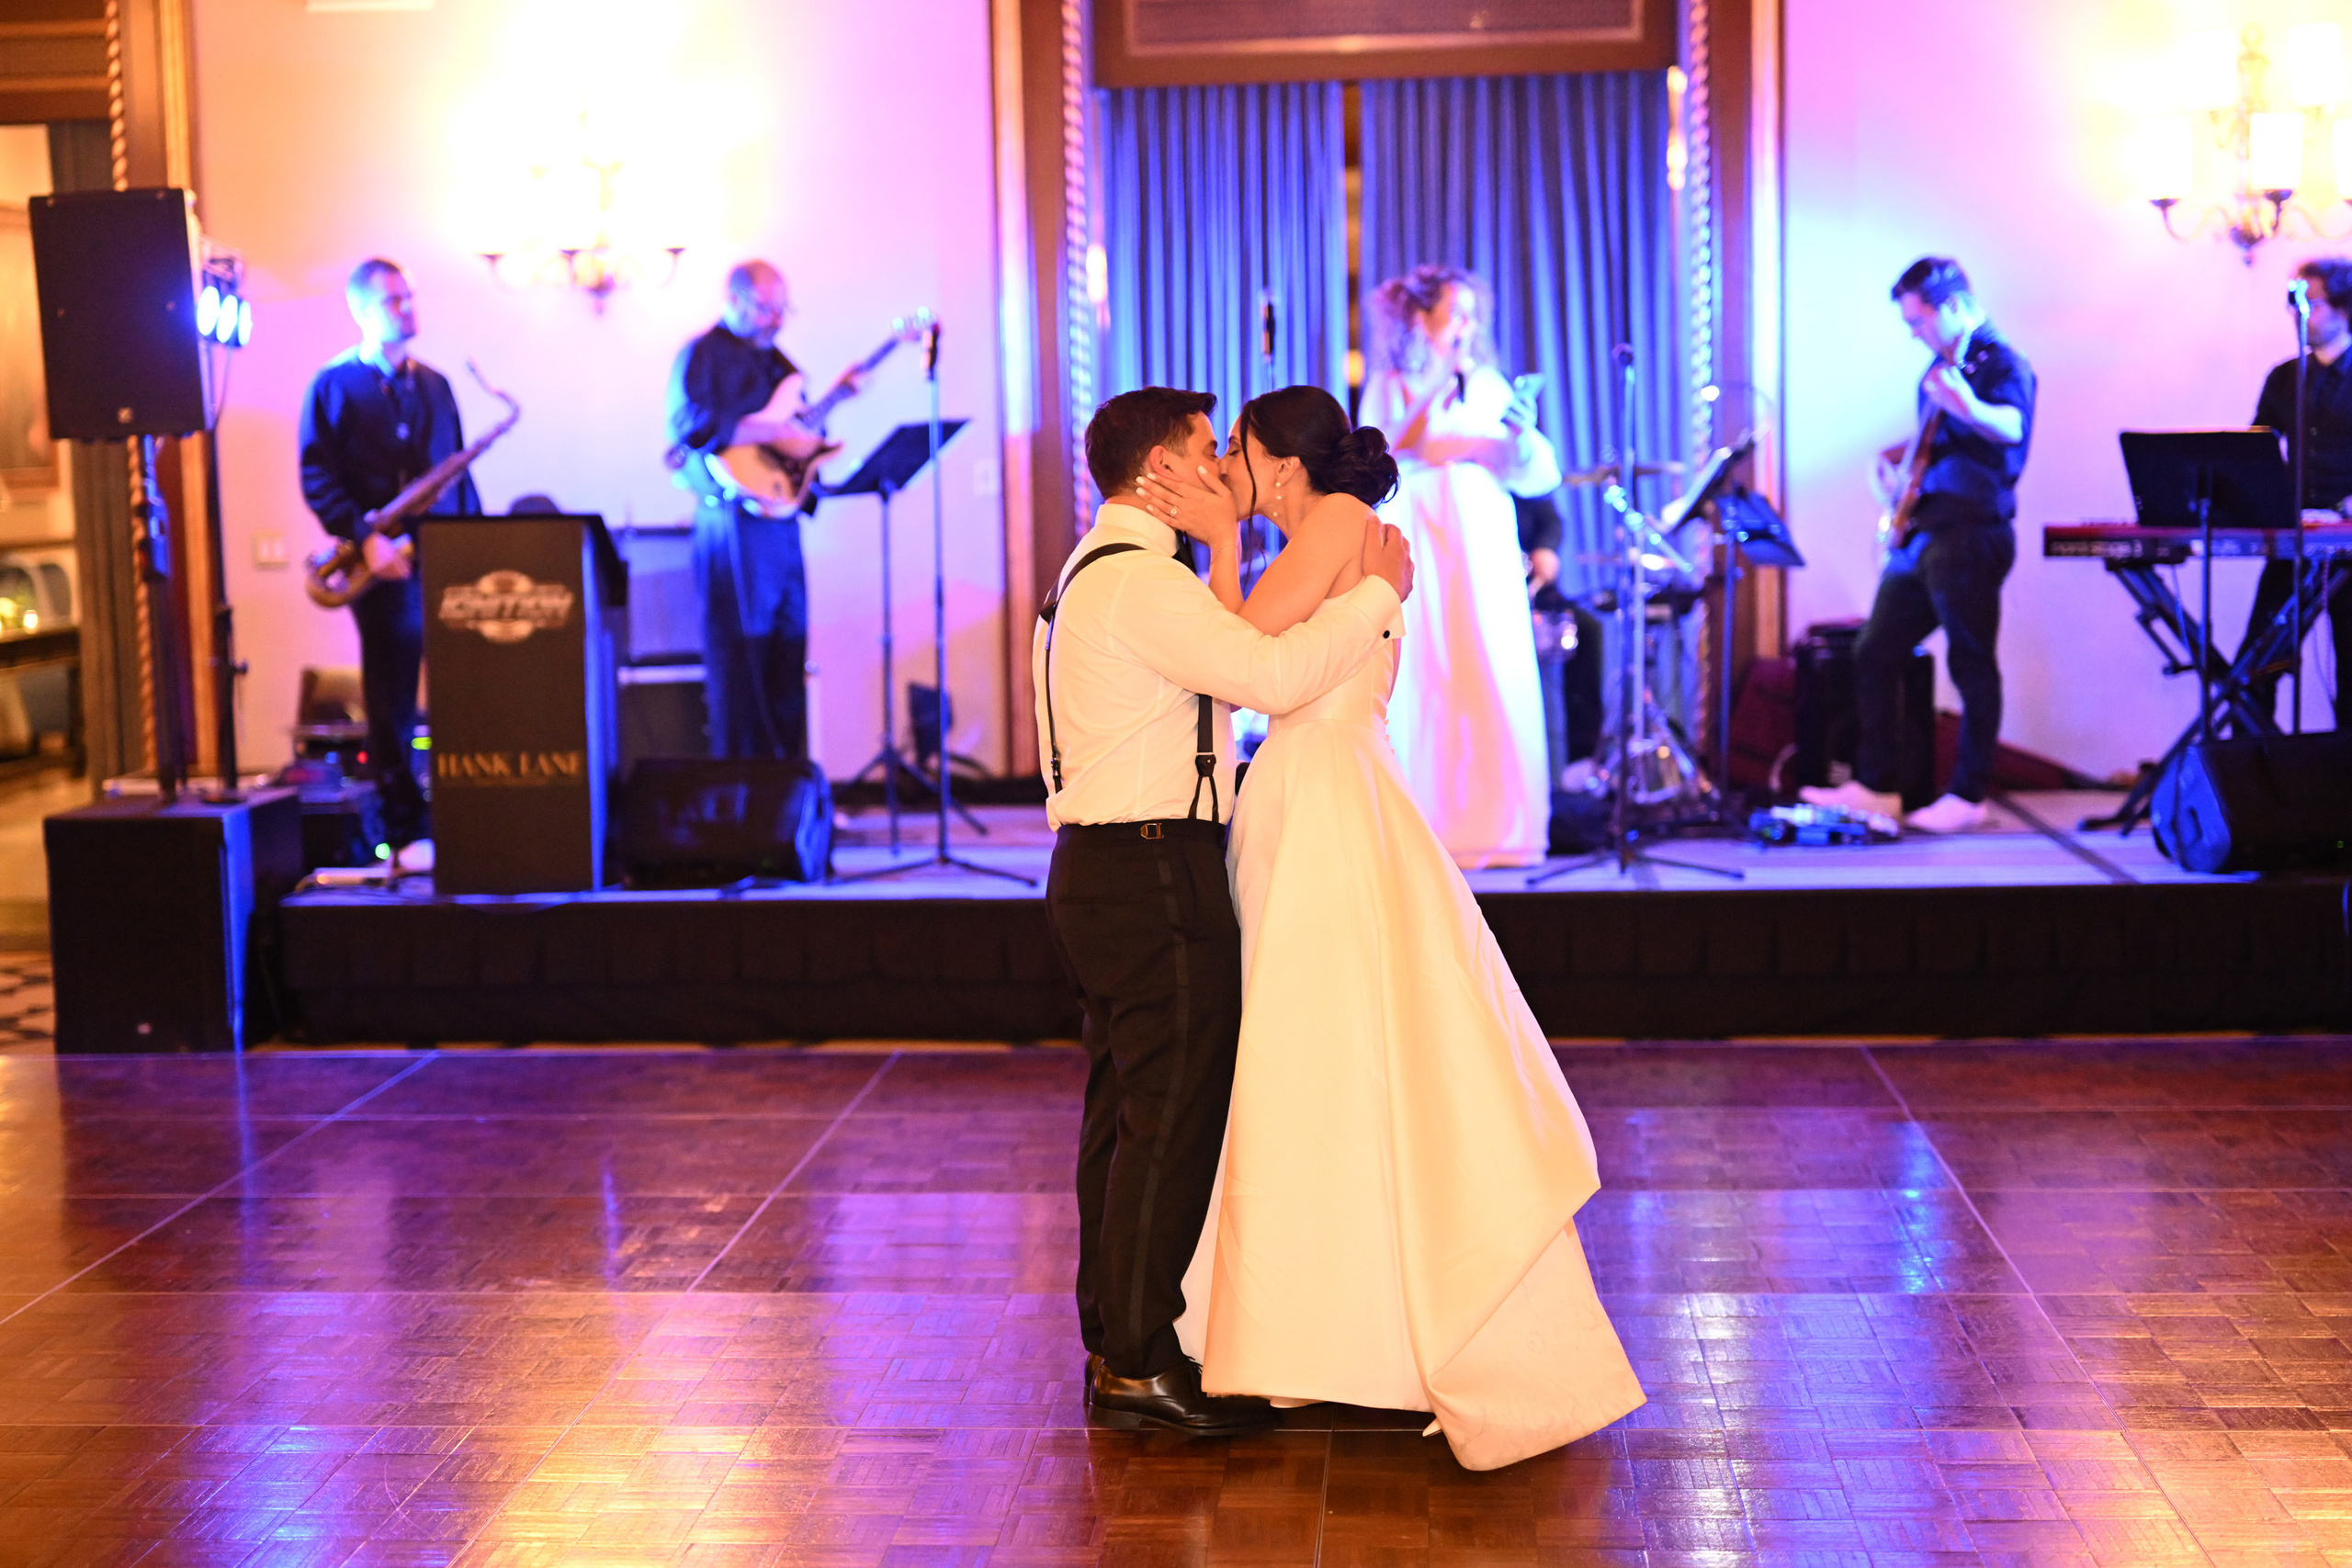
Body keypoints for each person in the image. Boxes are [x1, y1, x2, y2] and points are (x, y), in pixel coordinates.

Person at [1138, 385, 1643, 1472]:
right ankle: (1332, 1331)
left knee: (1312, 1055)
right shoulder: (1348, 533)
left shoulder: (1328, 523)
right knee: (1324, 1061)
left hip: (1322, 797)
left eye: (1236, 451)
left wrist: (1217, 544)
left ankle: (1336, 1335)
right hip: (1314, 789)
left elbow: (1241, 645)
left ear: (1279, 462)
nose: (1225, 464)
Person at [1038, 386, 1417, 1437]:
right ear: (1161, 468)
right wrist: (1376, 599)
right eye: (1208, 451)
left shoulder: (1100, 573)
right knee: (1164, 1122)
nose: (1223, 471)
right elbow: (1265, 670)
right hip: (1147, 871)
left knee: (1126, 1118)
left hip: (1114, 869)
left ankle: (1117, 1338)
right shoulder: (1141, 586)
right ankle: (1133, 1361)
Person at [1803, 256, 2035, 833]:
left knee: (1970, 662)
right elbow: (1939, 443)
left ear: (1953, 307)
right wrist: (1894, 473)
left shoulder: (2000, 362)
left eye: (1919, 320)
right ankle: (1877, 786)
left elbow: (2011, 427)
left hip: (1971, 536)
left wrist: (1970, 406)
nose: (1914, 332)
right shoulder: (1937, 367)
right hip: (1924, 533)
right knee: (1874, 650)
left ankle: (1968, 794)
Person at [1359, 265, 1563, 868]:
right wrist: (1440, 380)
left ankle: (1504, 828)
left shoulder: (1491, 384)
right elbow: (1386, 451)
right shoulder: (1391, 383)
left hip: (1481, 545)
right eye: (1457, 312)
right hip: (1423, 539)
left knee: (1488, 666)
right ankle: (1427, 826)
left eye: (1474, 314)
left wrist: (1521, 438)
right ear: (1421, 319)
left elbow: (1536, 472)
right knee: (1426, 672)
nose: (1468, 327)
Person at [299, 258, 479, 870]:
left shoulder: (435, 384)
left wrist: (474, 549)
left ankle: (467, 815)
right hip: (381, 562)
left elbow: (458, 473)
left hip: (442, 560)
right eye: (394, 299)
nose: (408, 305)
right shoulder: (333, 386)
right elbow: (317, 477)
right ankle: (404, 830)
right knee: (394, 696)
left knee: (465, 690)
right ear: (362, 311)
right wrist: (365, 537)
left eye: (410, 295)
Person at [666, 262, 859, 761]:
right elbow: (691, 426)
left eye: (782, 308)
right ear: (735, 300)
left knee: (785, 656)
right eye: (767, 308)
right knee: (740, 664)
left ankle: (787, 798)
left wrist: (815, 434)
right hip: (729, 524)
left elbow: (795, 440)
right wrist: (767, 433)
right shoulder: (701, 354)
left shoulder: (780, 363)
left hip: (780, 526)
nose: (777, 318)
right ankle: (743, 798)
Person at [2238, 255, 2352, 728]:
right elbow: (2253, 452)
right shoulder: (2285, 377)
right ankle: (2260, 780)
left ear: (2344, 307)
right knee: (2258, 661)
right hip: (2296, 538)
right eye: (2295, 301)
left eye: (2312, 302)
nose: (2300, 312)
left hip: (2348, 545)